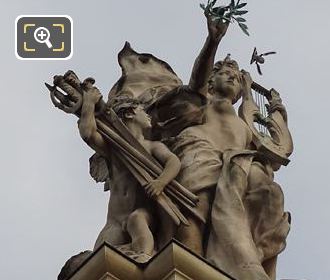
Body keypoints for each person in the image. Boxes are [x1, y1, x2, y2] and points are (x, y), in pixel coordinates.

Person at [77, 83, 181, 261]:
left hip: (142, 213)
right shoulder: (115, 149)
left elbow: (173, 162)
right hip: (114, 222)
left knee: (137, 221)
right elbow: (88, 134)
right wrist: (88, 103)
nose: (148, 116)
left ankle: (144, 255)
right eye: (144, 111)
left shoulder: (152, 147)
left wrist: (161, 182)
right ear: (130, 113)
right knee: (99, 261)